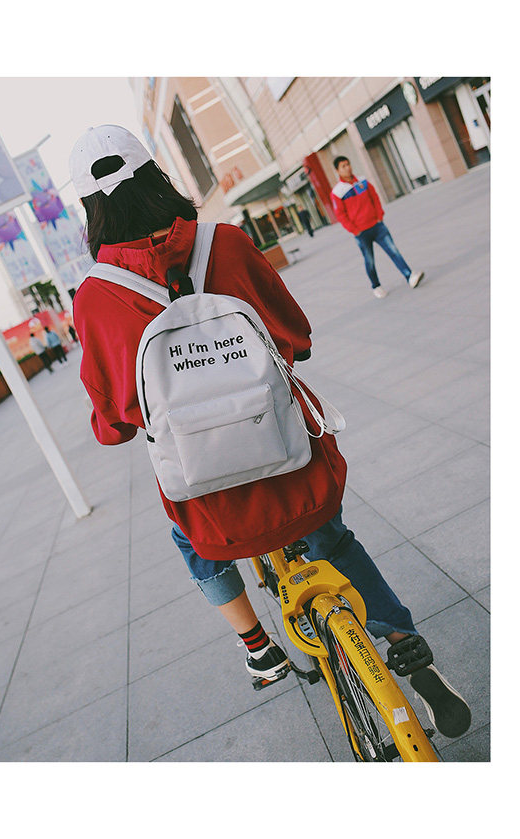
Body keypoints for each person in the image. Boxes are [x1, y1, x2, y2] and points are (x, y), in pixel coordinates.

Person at [69, 125, 470, 739]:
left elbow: (114, 423)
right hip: (294, 469)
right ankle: (404, 645)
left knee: (186, 538)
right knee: (332, 539)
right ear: (156, 177)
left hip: (211, 503)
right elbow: (296, 336)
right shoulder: (226, 243)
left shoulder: (97, 297)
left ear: (90, 209)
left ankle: (259, 647)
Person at [330, 156, 424, 299]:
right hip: (361, 233)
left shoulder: (362, 181)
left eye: (348, 164)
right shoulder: (337, 192)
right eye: (343, 166)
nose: (347, 168)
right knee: (369, 260)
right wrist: (355, 230)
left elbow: (374, 197)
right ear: (337, 171)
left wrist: (379, 215)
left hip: (377, 226)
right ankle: (376, 286)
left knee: (393, 251)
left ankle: (410, 276)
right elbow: (341, 215)